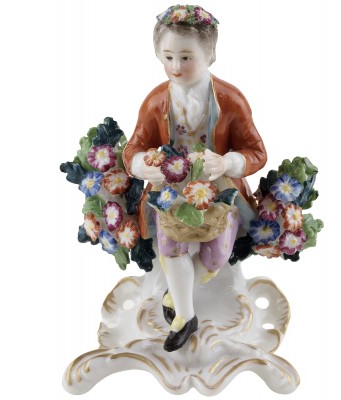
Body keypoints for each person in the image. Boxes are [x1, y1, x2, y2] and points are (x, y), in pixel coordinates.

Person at [122, 5, 267, 352]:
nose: (175, 66)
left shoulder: (230, 100)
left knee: (217, 254)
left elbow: (257, 152)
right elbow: (133, 148)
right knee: (170, 246)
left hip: (218, 191)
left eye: (186, 57)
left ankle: (175, 294)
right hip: (169, 190)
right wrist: (142, 165)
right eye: (168, 56)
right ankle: (186, 317)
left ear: (210, 55)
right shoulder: (157, 101)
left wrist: (227, 162)